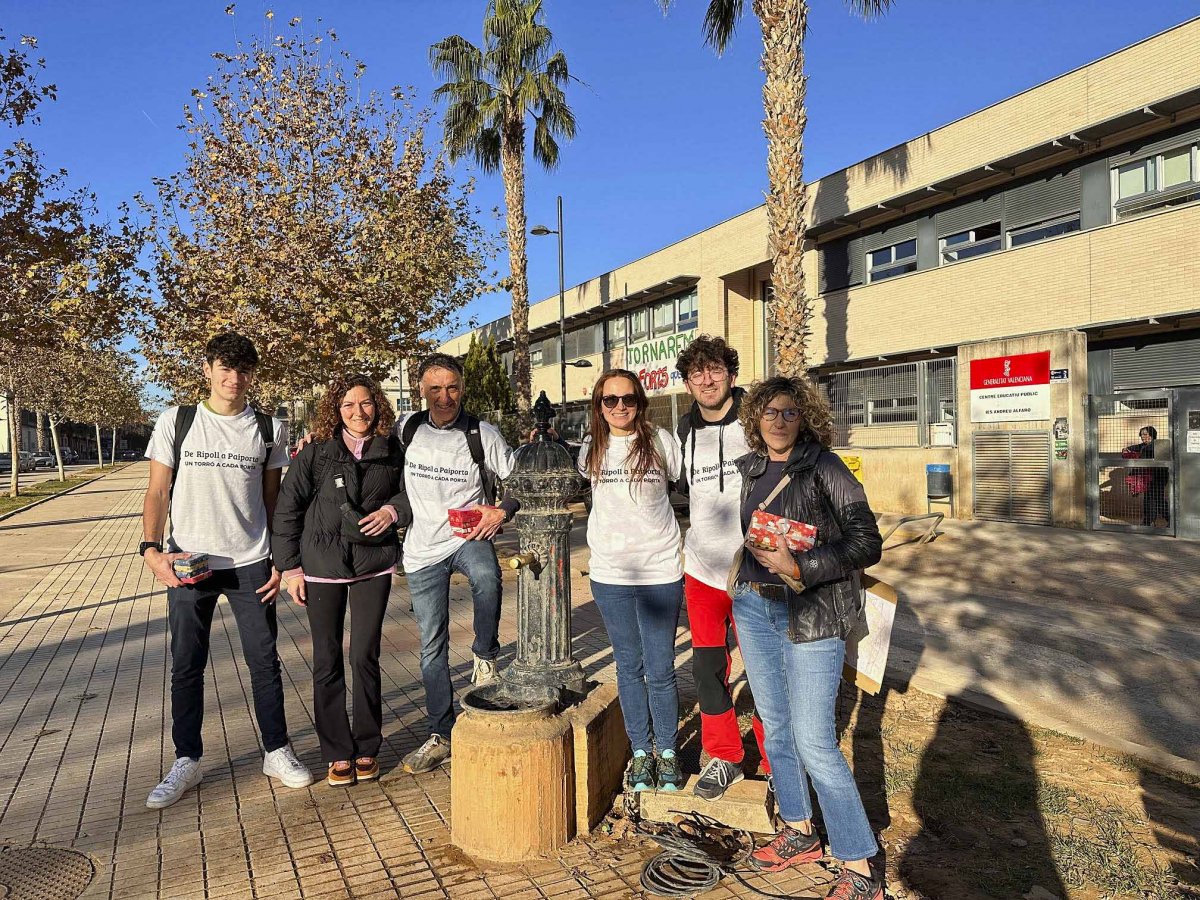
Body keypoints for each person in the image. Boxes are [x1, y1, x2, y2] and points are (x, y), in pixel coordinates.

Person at [140, 332, 313, 810]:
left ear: (251, 375)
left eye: (243, 370)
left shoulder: (266, 427)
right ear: (207, 369)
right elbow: (157, 492)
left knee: (264, 662)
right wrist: (152, 552)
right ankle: (187, 759)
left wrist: (284, 559)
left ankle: (276, 751)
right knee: (187, 665)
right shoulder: (177, 421)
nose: (233, 378)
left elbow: (274, 500)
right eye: (225, 368)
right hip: (188, 563)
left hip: (250, 563)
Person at [731, 375, 884, 900]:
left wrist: (804, 564)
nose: (777, 420)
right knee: (774, 725)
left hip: (812, 612)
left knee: (815, 739)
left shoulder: (825, 466)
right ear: (754, 418)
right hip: (754, 607)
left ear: (805, 417)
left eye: (789, 412)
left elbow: (867, 542)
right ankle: (798, 830)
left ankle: (860, 864)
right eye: (768, 412)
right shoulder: (750, 468)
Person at [272, 375, 411, 786]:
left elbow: (411, 493)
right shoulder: (316, 451)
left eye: (365, 403)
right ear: (336, 409)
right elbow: (287, 509)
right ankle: (337, 751)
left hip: (373, 562)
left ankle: (367, 745)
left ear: (377, 405)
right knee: (327, 659)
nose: (358, 412)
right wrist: (290, 568)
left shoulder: (392, 449)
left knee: (364, 656)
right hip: (320, 566)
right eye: (348, 405)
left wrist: (393, 511)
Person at [397, 353, 518, 774]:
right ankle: (440, 733)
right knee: (432, 647)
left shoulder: (481, 432)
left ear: (462, 389)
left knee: (488, 576)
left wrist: (502, 510)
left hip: (467, 537)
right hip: (421, 549)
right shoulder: (407, 429)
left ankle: (485, 654)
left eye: (451, 387)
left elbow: (518, 478)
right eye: (435, 389)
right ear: (421, 391)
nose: (444, 397)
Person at [673, 335, 770, 801]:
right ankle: (724, 756)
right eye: (697, 373)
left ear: (731, 375)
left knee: (767, 668)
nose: (707, 380)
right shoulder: (683, 432)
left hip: (758, 569)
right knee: (709, 668)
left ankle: (777, 762)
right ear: (689, 383)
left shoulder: (757, 422)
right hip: (702, 570)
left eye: (715, 370)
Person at [578, 369, 685, 792]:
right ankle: (641, 752)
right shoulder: (590, 448)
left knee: (660, 669)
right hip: (610, 574)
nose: (620, 407)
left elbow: (682, 485)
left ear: (640, 402)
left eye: (628, 399)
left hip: (660, 570)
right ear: (599, 407)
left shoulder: (662, 442)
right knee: (628, 665)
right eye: (610, 400)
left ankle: (668, 751)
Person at [1124, 425, 1170, 527]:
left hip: (1158, 478)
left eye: (1145, 434)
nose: (1142, 437)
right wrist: (1126, 449)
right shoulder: (1142, 446)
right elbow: (1134, 448)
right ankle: (1149, 521)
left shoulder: (1158, 445)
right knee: (1149, 499)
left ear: (1152, 435)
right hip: (1148, 478)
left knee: (1157, 500)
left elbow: (1164, 463)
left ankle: (1168, 520)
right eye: (1141, 435)